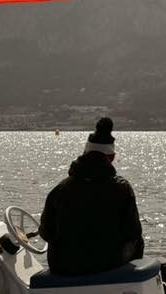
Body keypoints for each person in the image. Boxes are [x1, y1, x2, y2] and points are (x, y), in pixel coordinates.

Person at [40, 117, 144, 276]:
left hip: (63, 266)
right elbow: (134, 233)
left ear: (84, 154)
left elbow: (46, 232)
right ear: (112, 157)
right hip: (107, 265)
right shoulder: (122, 189)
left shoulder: (60, 189)